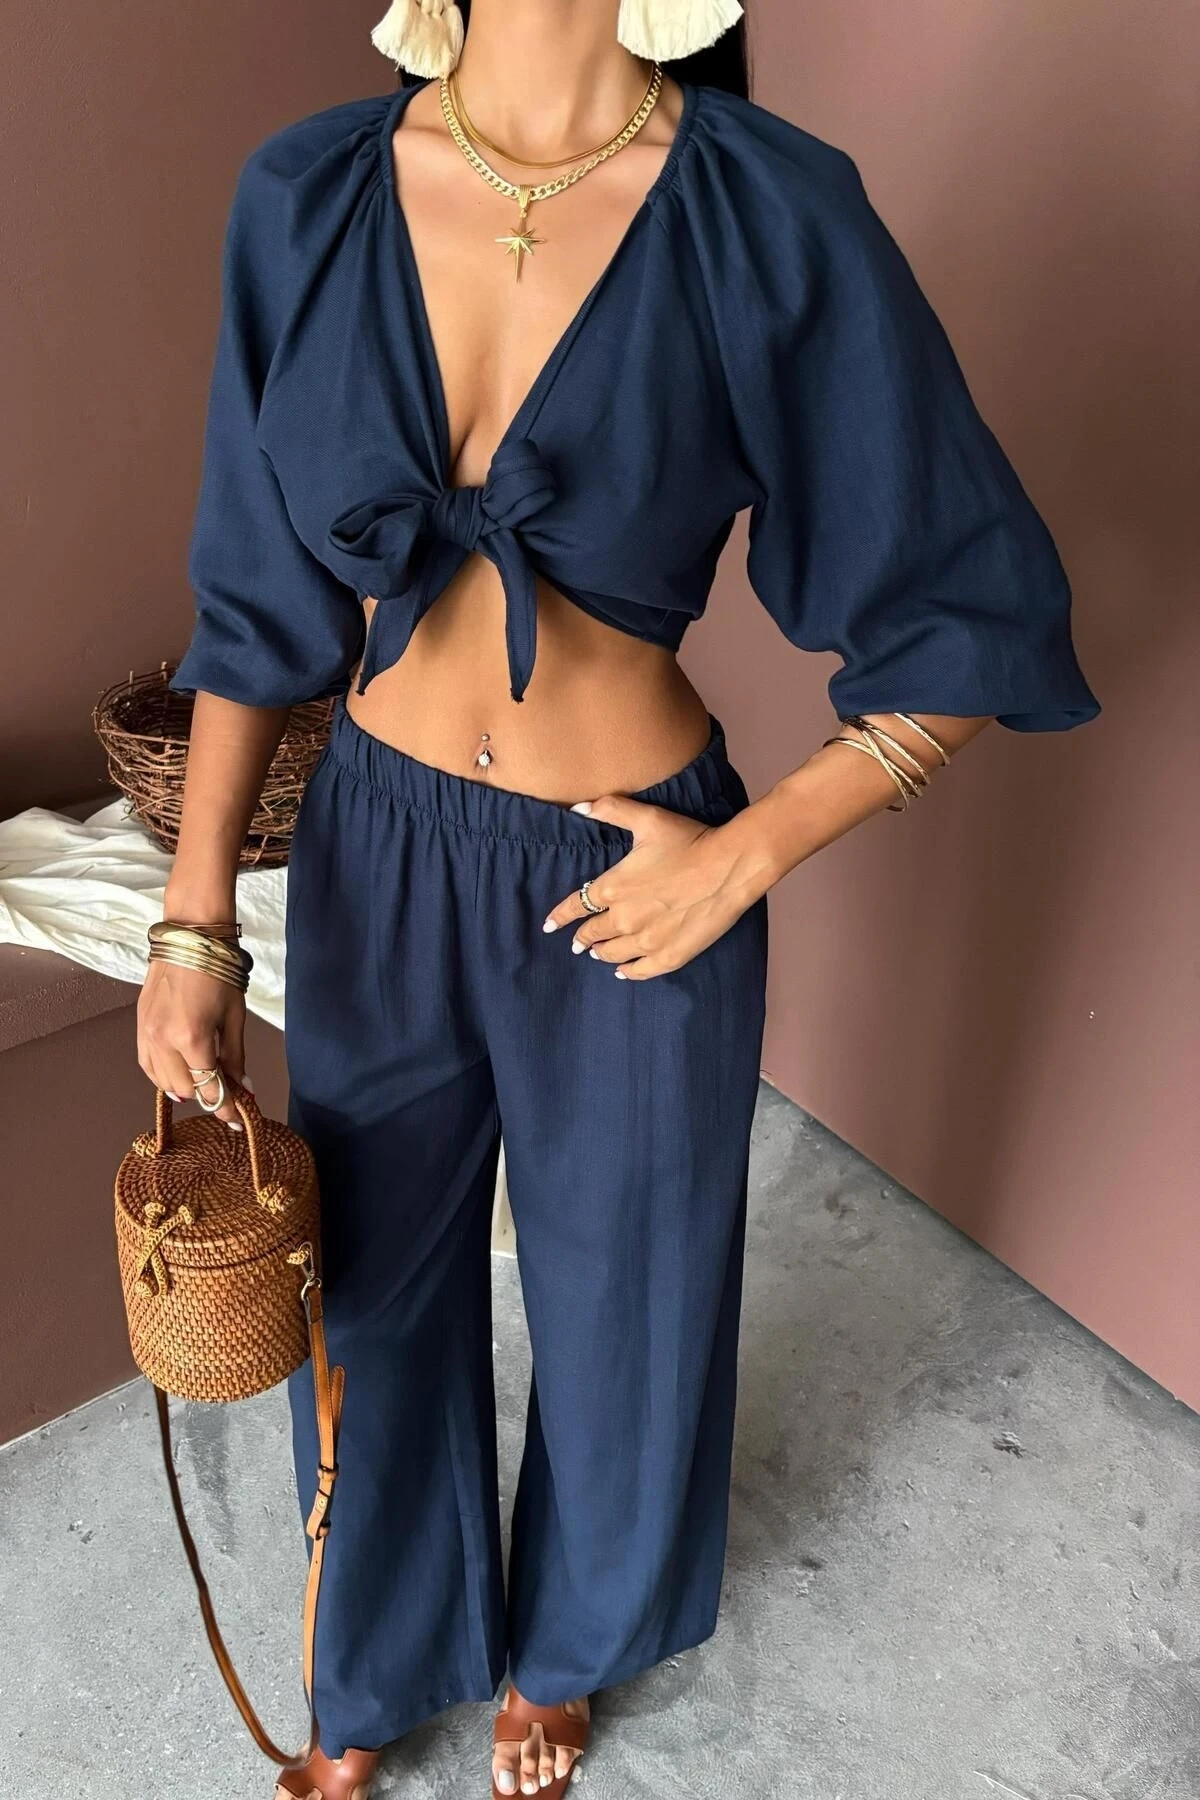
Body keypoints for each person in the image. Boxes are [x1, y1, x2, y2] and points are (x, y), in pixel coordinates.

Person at [136, 1, 1099, 1795]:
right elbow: (254, 601)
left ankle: (568, 1647)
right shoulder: (309, 197)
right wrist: (193, 926)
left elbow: (970, 612)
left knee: (629, 1291)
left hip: (636, 862)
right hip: (378, 848)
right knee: (369, 1280)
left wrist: (751, 849)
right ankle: (374, 1656)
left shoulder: (769, 210)